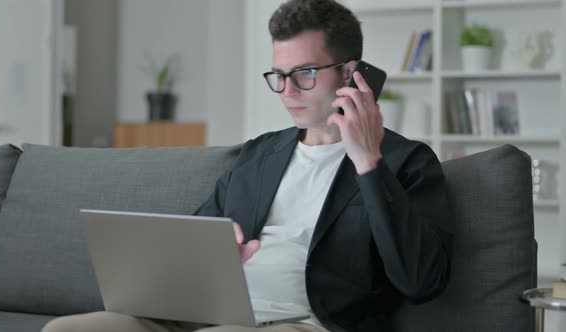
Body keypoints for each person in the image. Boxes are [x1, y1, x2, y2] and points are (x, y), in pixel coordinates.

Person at [41, 0, 452, 331]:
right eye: (278, 75)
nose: (287, 91)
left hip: (305, 322)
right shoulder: (258, 155)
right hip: (202, 313)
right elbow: (193, 239)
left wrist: (367, 161)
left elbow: (420, 281)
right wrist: (217, 253)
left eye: (305, 73)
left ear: (351, 73)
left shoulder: (404, 162)